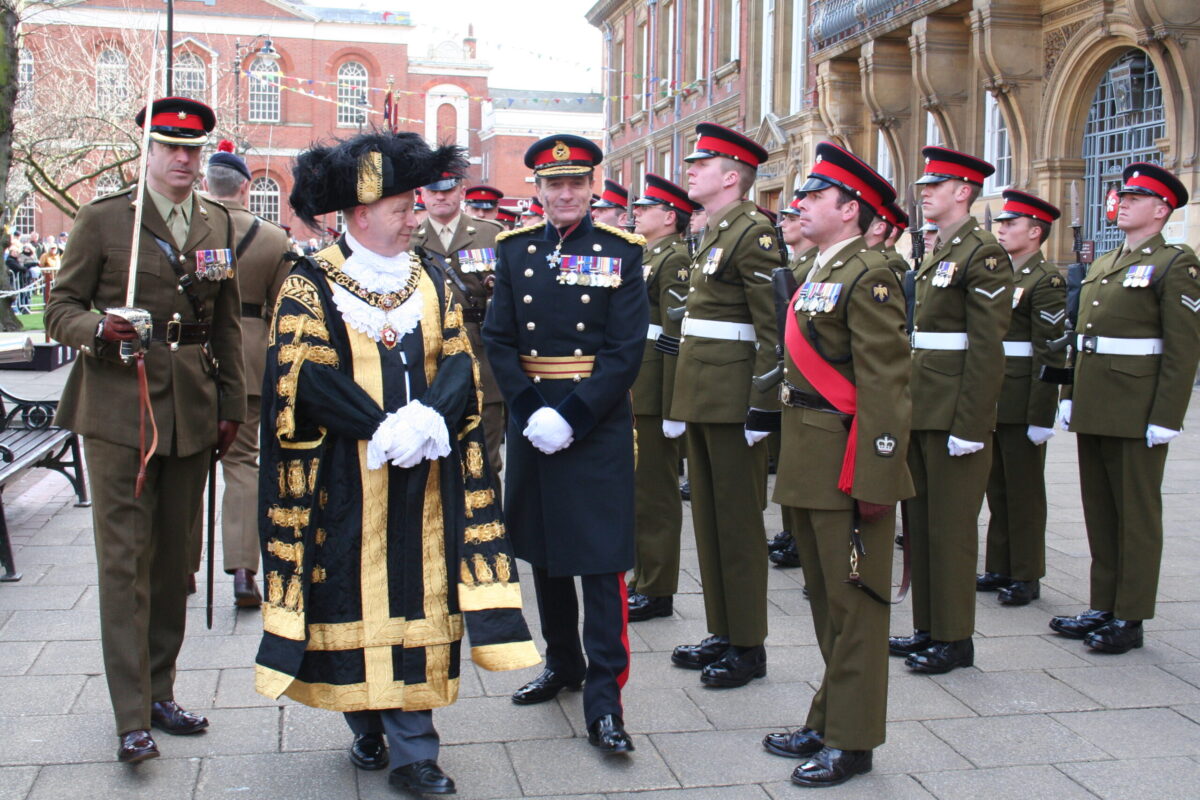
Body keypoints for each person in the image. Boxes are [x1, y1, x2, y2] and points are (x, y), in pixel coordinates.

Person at [254, 131, 539, 795]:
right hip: (347, 481)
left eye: (417, 205)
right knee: (349, 598)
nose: (416, 217)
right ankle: (365, 720)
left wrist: (430, 417)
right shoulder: (310, 283)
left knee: (420, 598)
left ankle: (416, 751)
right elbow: (302, 377)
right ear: (359, 215)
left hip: (426, 480)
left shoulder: (432, 278)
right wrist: (380, 427)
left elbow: (461, 359)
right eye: (402, 207)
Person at [45, 97, 245, 763]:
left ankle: (161, 690)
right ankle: (131, 715)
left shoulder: (216, 221)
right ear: (147, 150)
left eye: (194, 149)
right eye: (170, 147)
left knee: (174, 566)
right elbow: (59, 309)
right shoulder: (106, 221)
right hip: (116, 407)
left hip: (189, 409)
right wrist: (99, 328)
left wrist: (231, 403)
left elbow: (225, 323)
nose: (184, 159)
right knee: (125, 563)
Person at [483, 134, 648, 754]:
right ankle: (563, 664)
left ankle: (606, 701)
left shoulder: (620, 252)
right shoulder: (514, 250)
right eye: (554, 184)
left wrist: (572, 416)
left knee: (600, 562)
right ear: (540, 190)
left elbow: (625, 350)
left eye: (576, 183)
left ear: (592, 187)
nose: (565, 193)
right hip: (533, 422)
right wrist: (528, 410)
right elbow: (498, 339)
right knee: (546, 553)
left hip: (594, 421)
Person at [762, 141, 912, 788]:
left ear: (849, 209)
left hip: (847, 462)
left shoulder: (869, 273)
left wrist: (876, 480)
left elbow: (886, 385)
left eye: (815, 196)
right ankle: (827, 716)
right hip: (809, 456)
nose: (800, 205)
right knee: (826, 601)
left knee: (855, 606)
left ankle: (853, 741)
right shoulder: (822, 268)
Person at [1051, 162, 1200, 653]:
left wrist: (1166, 416)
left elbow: (1183, 348)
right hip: (1096, 401)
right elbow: (1082, 336)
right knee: (1100, 510)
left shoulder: (1176, 263)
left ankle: (1130, 616)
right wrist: (1069, 395)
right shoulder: (1107, 260)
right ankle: (1104, 603)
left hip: (1137, 407)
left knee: (1135, 514)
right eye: (1124, 196)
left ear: (1161, 209)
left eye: (1135, 198)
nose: (1123, 202)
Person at [888, 146, 1012, 674]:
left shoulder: (982, 252)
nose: (924, 194)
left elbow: (987, 347)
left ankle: (955, 636)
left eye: (934, 187)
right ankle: (928, 627)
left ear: (963, 191)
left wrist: (971, 422)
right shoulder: (939, 250)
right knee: (921, 523)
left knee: (952, 528)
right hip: (925, 406)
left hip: (954, 413)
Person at [670, 123, 780, 687]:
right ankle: (723, 627)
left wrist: (763, 405)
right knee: (710, 523)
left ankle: (748, 643)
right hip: (703, 394)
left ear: (731, 177)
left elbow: (772, 329)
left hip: (735, 400)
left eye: (702, 163)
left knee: (737, 526)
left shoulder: (752, 233)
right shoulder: (714, 231)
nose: (691, 170)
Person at [200, 140, 293, 607]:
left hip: (194, 354)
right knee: (242, 463)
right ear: (245, 187)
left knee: (185, 464)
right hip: (251, 354)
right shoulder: (274, 238)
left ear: (205, 184)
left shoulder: (192, 230)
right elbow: (285, 309)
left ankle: (175, 570)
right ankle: (242, 570)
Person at [978, 189, 1066, 607]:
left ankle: (1027, 573)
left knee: (1024, 491)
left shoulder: (1045, 279)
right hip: (997, 393)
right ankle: (999, 564)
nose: (1002, 229)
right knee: (997, 486)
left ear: (1035, 232)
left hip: (1022, 397)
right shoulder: (1002, 274)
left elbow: (1050, 349)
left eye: (1011, 224)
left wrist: (1042, 412)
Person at [627, 174, 696, 622]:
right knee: (636, 490)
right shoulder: (647, 254)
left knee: (655, 494)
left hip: (655, 391)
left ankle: (658, 588)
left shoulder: (673, 259)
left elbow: (675, 336)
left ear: (669, 217)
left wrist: (674, 405)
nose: (636, 212)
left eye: (645, 207)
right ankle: (643, 576)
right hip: (636, 385)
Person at [412, 171, 508, 487]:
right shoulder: (409, 237)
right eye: (433, 190)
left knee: (487, 458)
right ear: (421, 194)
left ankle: (489, 528)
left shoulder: (490, 235)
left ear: (461, 191)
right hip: (427, 351)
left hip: (481, 352)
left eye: (448, 189)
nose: (441, 197)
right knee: (431, 461)